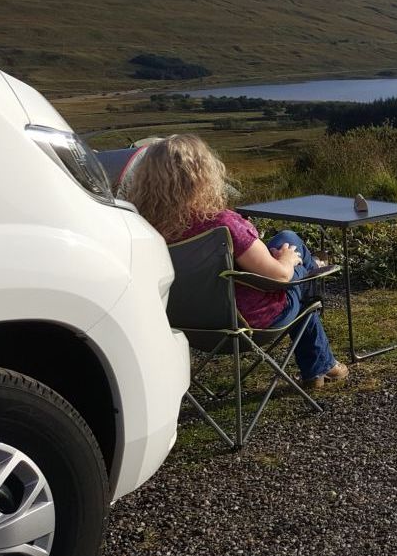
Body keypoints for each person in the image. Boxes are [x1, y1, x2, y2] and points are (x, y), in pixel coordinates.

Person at [123, 134, 348, 389]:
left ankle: (322, 364)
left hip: (187, 325)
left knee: (285, 243)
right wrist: (287, 259)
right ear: (203, 175)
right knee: (295, 254)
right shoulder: (222, 225)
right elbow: (279, 277)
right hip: (249, 322)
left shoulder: (142, 228)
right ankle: (319, 361)